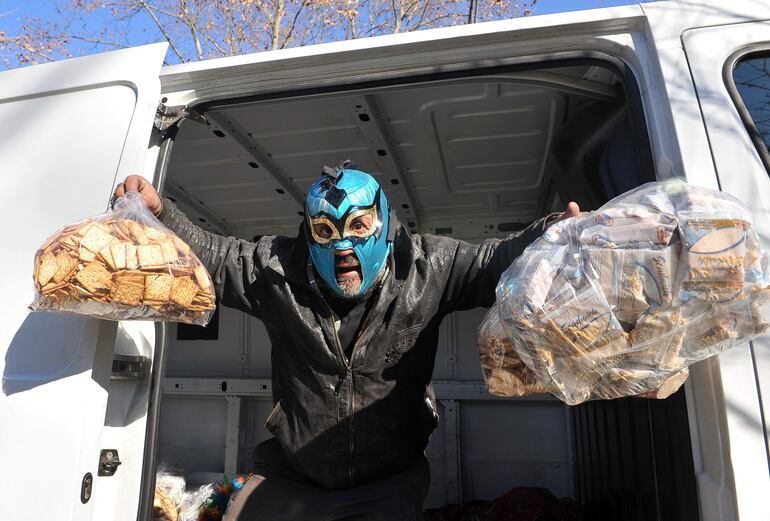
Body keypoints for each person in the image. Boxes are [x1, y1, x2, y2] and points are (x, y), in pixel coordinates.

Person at [115, 163, 579, 521]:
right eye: (325, 231)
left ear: (383, 223)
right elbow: (214, 257)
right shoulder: (276, 270)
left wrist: (554, 232)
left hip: (388, 477)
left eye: (358, 226)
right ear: (309, 234)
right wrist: (160, 213)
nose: (343, 247)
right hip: (293, 471)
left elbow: (491, 262)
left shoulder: (428, 268)